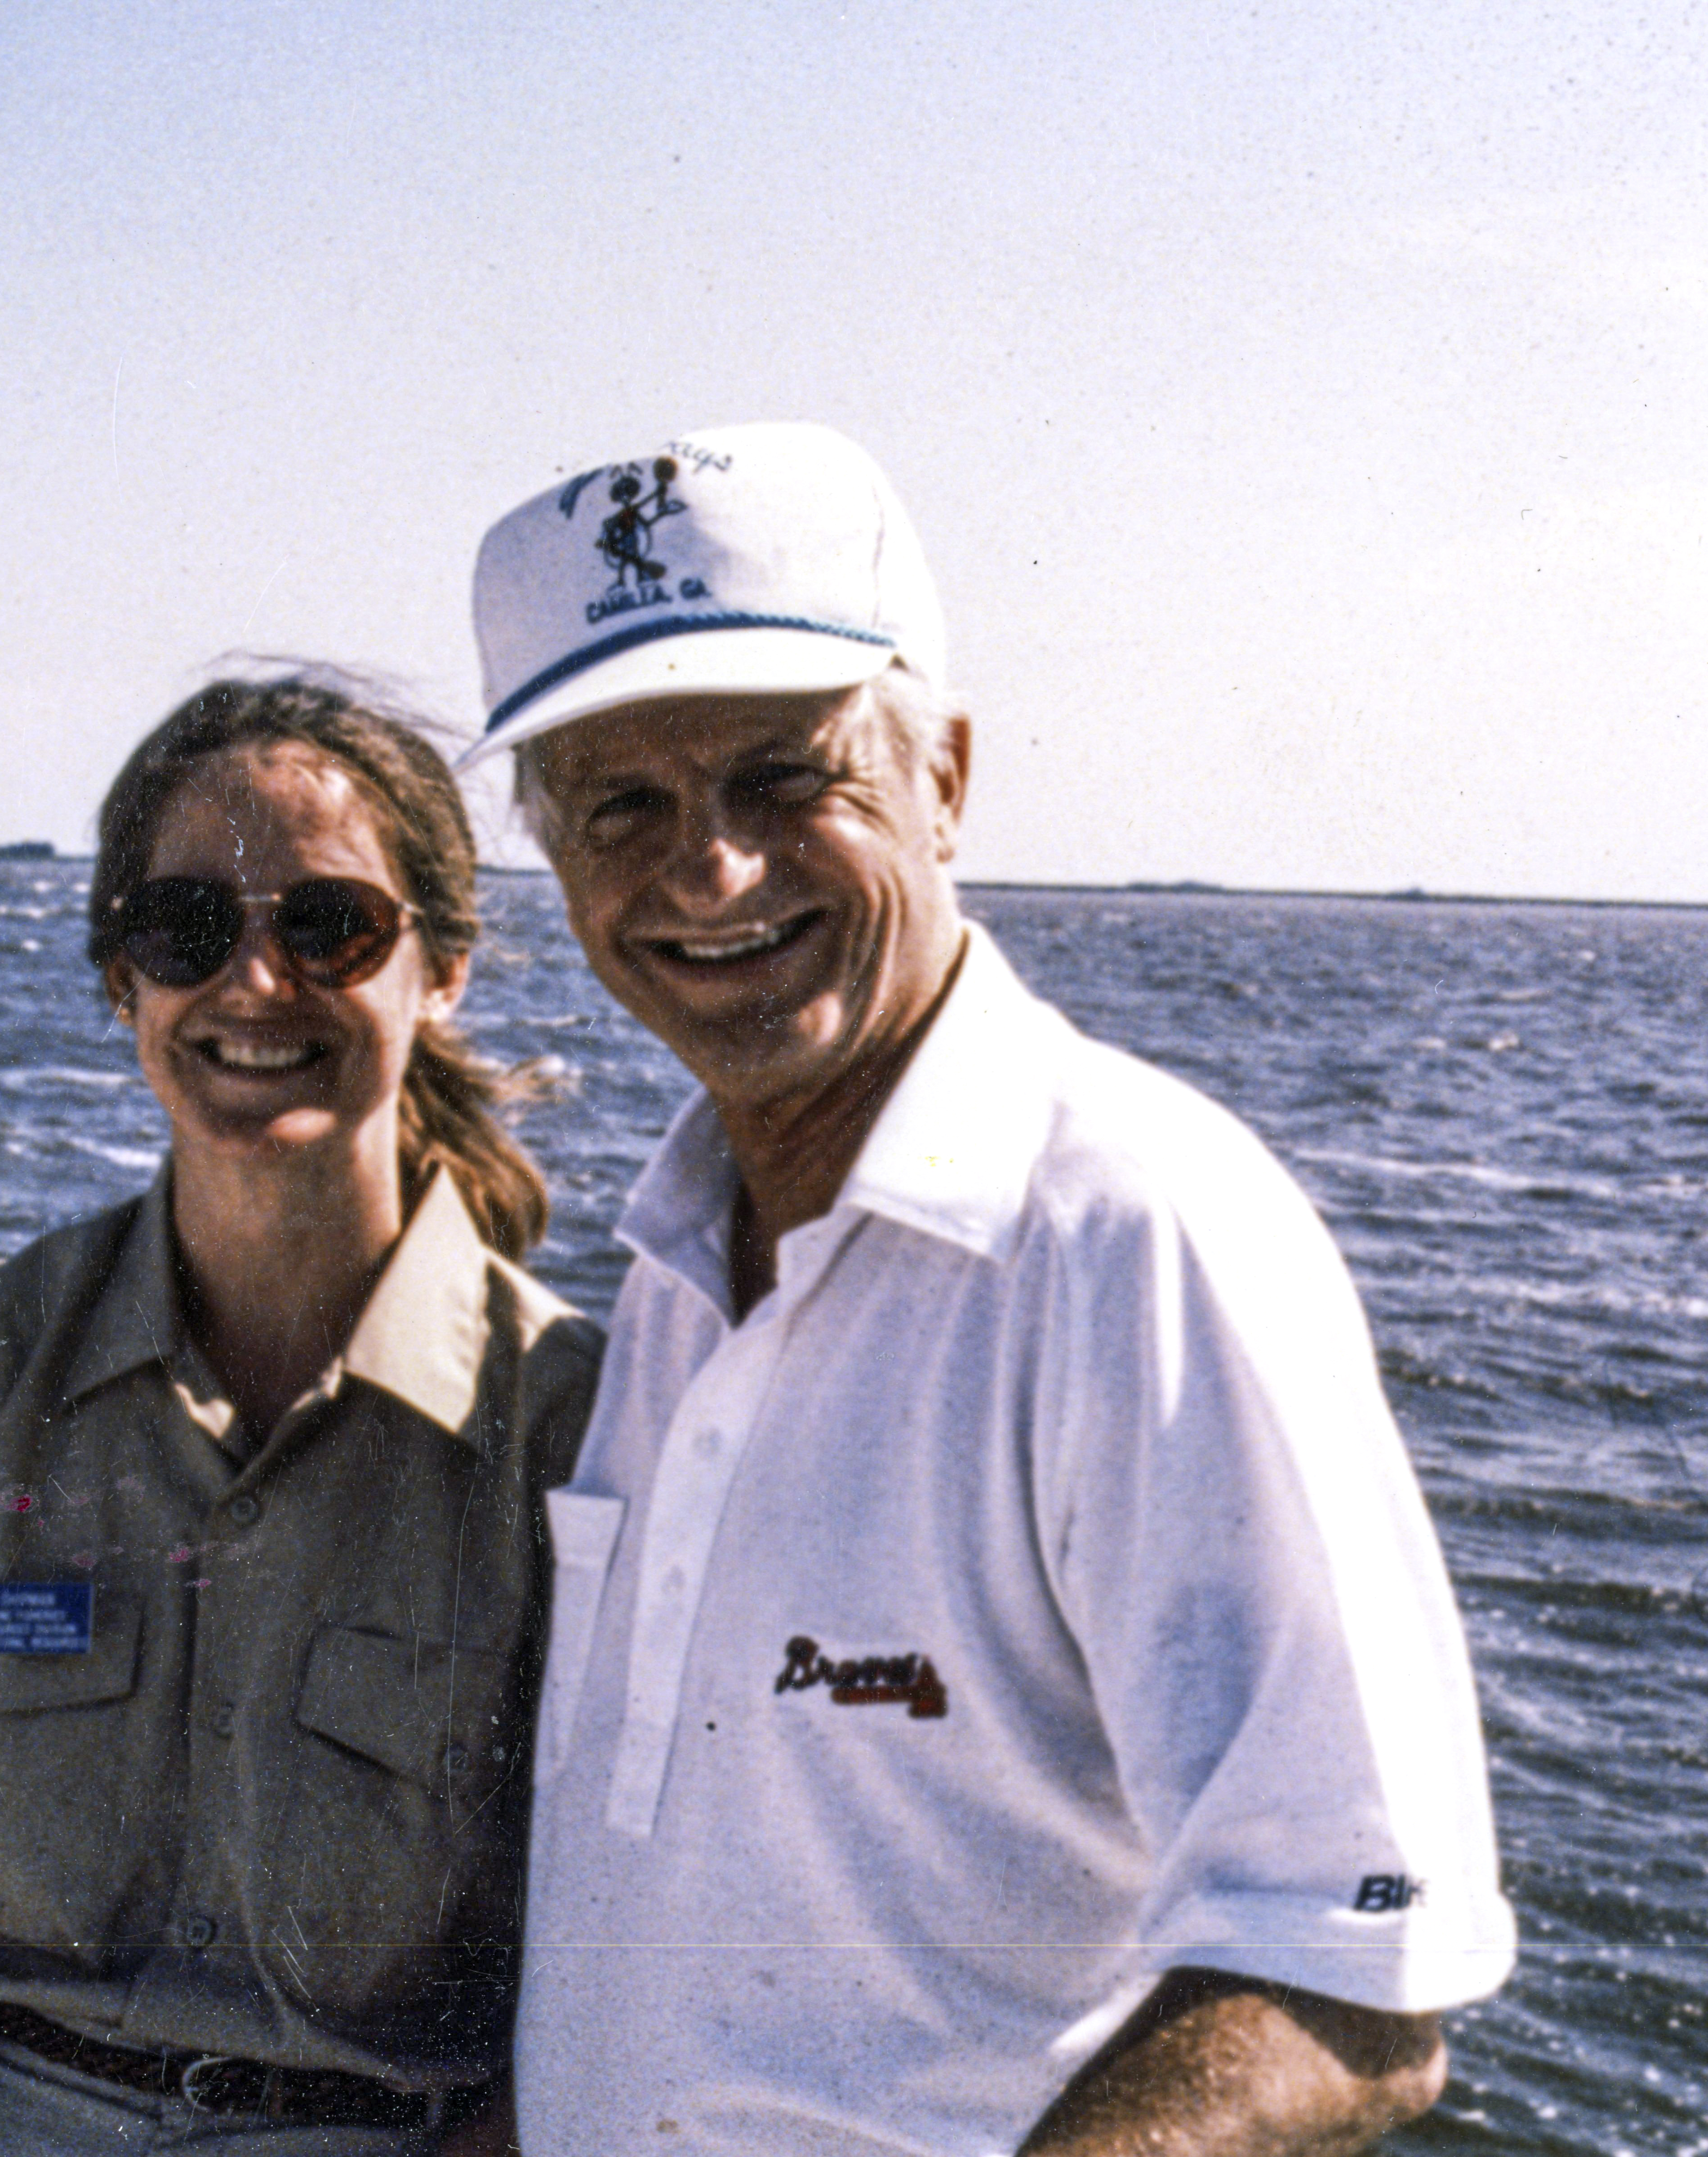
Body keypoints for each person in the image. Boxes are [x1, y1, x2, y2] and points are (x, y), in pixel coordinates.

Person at [459, 422, 1516, 2156]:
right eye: (621, 805)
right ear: (552, 857)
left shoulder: (1134, 1235)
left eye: (787, 781)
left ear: (945, 776)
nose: (708, 871)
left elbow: (1357, 1979)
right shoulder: (672, 1259)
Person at [0, 675, 601, 2157]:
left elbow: (624, 1978)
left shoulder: (579, 1430)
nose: (254, 985)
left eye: (329, 925)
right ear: (121, 979)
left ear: (444, 968)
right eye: (187, 930)